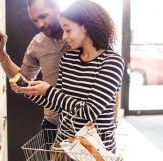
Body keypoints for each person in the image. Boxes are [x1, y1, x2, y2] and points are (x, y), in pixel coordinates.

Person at [19, 0, 124, 152]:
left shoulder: (112, 62)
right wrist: (30, 90)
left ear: (86, 26)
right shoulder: (68, 59)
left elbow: (90, 111)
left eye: (68, 30)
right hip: (65, 146)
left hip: (96, 150)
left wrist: (48, 91)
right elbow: (60, 106)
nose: (64, 36)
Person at [0, 0, 70, 130]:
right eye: (35, 20)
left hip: (85, 123)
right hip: (52, 123)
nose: (40, 24)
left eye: (43, 16)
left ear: (57, 8)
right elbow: (23, 79)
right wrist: (0, 53)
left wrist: (113, 120)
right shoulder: (37, 43)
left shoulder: (81, 36)